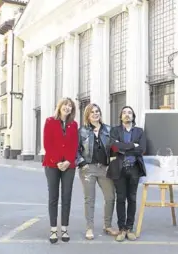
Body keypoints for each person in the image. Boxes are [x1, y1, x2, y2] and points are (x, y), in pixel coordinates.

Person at [76, 103, 118, 240]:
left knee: (110, 197)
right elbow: (75, 150)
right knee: (90, 199)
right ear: (87, 115)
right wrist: (82, 163)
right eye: (92, 112)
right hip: (88, 168)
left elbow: (114, 149)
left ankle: (108, 225)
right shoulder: (82, 131)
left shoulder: (108, 130)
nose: (95, 113)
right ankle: (89, 228)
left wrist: (113, 163)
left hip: (105, 168)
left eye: (97, 111)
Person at [107, 106, 146, 242]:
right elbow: (113, 147)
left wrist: (122, 146)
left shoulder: (139, 131)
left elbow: (141, 149)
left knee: (132, 198)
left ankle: (129, 228)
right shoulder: (115, 130)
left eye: (129, 113)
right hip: (119, 168)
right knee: (121, 198)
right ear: (121, 116)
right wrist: (131, 146)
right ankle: (122, 229)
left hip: (134, 168)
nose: (127, 115)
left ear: (133, 116)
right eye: (124, 112)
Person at [42, 97, 78, 244]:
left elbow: (75, 144)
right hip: (52, 164)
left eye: (70, 106)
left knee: (67, 196)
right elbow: (47, 143)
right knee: (53, 196)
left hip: (69, 165)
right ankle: (53, 229)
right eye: (65, 105)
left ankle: (64, 228)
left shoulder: (73, 124)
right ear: (60, 106)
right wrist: (57, 162)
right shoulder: (50, 121)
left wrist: (68, 160)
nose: (67, 108)